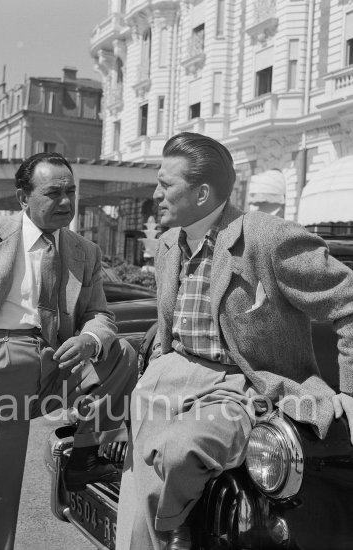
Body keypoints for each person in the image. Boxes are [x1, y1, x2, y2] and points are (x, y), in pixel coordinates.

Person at [116, 132, 353, 550]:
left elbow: (347, 300)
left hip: (242, 384)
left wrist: (351, 389)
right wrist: (156, 361)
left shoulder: (269, 237)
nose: (155, 194)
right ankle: (159, 531)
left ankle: (173, 527)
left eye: (165, 184)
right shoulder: (171, 242)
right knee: (138, 489)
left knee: (179, 452)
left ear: (203, 193)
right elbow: (167, 320)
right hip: (167, 377)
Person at [0, 152, 136, 550]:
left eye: (71, 192)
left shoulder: (84, 251)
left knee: (122, 354)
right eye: (53, 193)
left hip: (52, 363)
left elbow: (101, 314)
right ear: (23, 198)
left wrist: (89, 339)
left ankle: (83, 454)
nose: (66, 202)